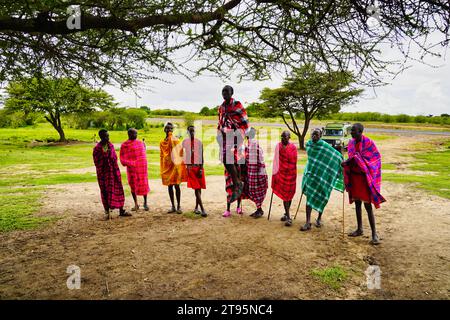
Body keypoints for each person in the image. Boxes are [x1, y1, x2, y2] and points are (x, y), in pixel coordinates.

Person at [342, 123, 386, 245]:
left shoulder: (369, 143)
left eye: (354, 131)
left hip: (364, 178)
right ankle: (359, 229)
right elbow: (352, 158)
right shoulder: (351, 143)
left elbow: (375, 159)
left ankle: (374, 234)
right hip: (355, 178)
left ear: (361, 132)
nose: (351, 133)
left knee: (367, 206)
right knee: (357, 204)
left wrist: (354, 160)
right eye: (351, 131)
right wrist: (346, 163)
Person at [300, 128, 344, 231]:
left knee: (323, 196)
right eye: (313, 134)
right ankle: (308, 222)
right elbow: (311, 159)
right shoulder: (309, 145)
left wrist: (341, 159)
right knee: (309, 198)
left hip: (322, 177)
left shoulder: (325, 146)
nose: (314, 136)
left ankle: (319, 218)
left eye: (316, 134)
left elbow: (336, 155)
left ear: (320, 136)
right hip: (311, 175)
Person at [217, 85, 249, 204]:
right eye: (223, 91)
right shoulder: (221, 108)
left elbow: (245, 122)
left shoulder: (237, 105)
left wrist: (243, 135)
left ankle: (237, 184)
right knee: (227, 159)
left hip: (237, 135)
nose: (224, 93)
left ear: (232, 93)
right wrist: (218, 134)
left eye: (226, 91)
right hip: (225, 137)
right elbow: (220, 123)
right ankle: (237, 184)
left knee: (230, 158)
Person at [93, 129, 131, 218]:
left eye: (108, 136)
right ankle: (107, 212)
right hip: (103, 174)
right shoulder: (97, 149)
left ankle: (121, 210)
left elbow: (114, 158)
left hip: (113, 172)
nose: (108, 138)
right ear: (101, 137)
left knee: (118, 189)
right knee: (105, 191)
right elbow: (97, 162)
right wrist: (105, 156)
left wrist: (109, 155)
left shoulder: (111, 146)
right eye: (106, 136)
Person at [271, 131, 298, 226]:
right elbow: (275, 160)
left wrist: (288, 168)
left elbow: (294, 161)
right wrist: (274, 173)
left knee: (289, 195)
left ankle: (286, 214)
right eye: (282, 137)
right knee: (285, 195)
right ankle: (289, 217)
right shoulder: (278, 146)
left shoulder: (293, 148)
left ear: (289, 137)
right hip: (281, 174)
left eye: (285, 137)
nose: (283, 139)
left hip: (290, 174)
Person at [120, 128, 150, 211]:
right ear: (129, 134)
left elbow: (143, 155)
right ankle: (136, 204)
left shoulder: (140, 143)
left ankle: (145, 203)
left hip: (142, 169)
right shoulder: (124, 145)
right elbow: (122, 158)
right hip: (132, 170)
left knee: (144, 184)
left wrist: (142, 164)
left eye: (136, 134)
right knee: (132, 186)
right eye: (133, 134)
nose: (135, 135)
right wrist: (132, 163)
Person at [160, 122, 187, 214]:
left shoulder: (176, 140)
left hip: (175, 166)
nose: (169, 130)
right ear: (164, 130)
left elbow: (180, 153)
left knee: (177, 186)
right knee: (169, 186)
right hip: (167, 166)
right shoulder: (162, 142)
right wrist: (162, 166)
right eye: (167, 128)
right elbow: (161, 156)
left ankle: (179, 206)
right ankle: (173, 206)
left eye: (171, 129)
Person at [182, 125, 207, 217]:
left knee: (199, 188)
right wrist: (187, 166)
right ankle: (203, 209)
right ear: (187, 132)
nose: (192, 133)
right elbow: (184, 155)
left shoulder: (199, 142)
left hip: (199, 168)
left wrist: (201, 168)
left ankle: (196, 207)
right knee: (196, 189)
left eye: (193, 131)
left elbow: (202, 156)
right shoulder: (184, 142)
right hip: (191, 168)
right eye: (190, 131)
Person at [243, 127, 268, 218]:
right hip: (251, 171)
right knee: (253, 190)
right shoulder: (249, 144)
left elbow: (260, 158)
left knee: (256, 190)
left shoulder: (254, 144)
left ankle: (259, 210)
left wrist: (261, 172)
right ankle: (259, 209)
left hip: (256, 172)